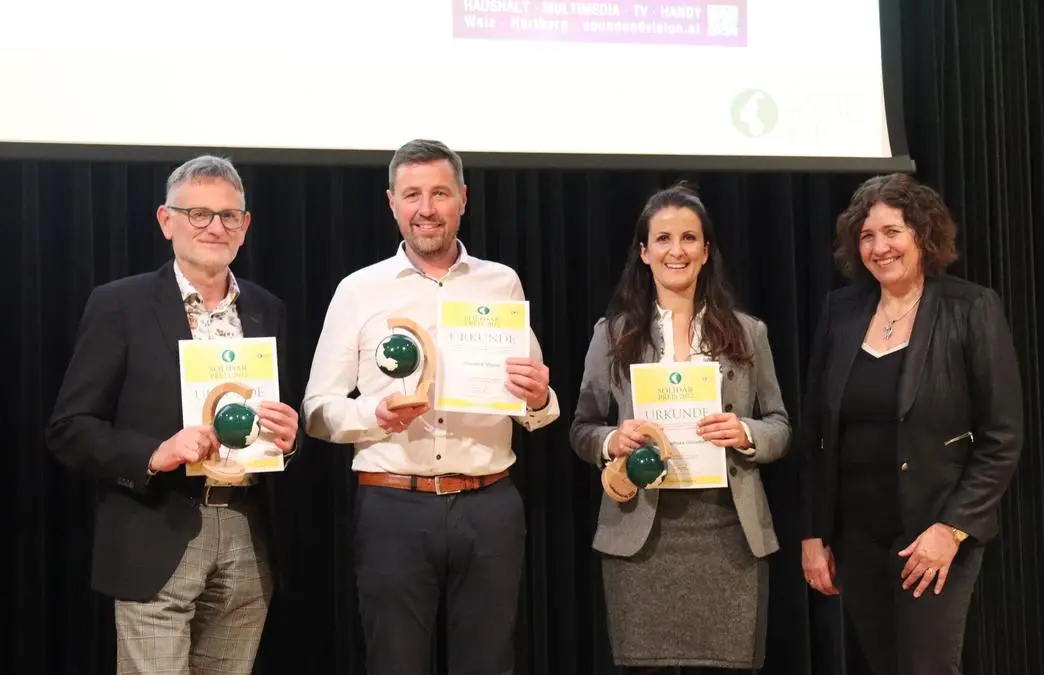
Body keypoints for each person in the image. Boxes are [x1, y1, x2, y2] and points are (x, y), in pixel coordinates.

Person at [301, 139, 559, 675]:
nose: (426, 208)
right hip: (394, 508)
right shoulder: (359, 290)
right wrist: (374, 415)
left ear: (462, 199)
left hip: (488, 507)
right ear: (391, 202)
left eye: (439, 193)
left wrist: (539, 398)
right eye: (412, 194)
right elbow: (317, 410)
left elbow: (536, 403)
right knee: (395, 664)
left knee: (489, 664)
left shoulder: (500, 282)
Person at [45, 155, 301, 675]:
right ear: (167, 221)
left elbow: (280, 420)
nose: (215, 227)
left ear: (246, 226)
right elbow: (70, 428)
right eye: (198, 214)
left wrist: (292, 439)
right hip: (158, 527)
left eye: (229, 216)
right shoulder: (121, 305)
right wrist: (154, 453)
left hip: (247, 534)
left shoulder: (266, 308)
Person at [797, 173, 1023, 675]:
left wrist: (953, 527)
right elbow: (816, 434)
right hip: (856, 536)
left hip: (932, 533)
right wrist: (814, 533)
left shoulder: (971, 308)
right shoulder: (841, 311)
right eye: (867, 236)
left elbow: (1001, 437)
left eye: (892, 232)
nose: (880, 247)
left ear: (921, 234)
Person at [569, 183, 792, 673]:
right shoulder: (612, 334)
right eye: (664, 239)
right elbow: (582, 428)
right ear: (644, 253)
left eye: (689, 238)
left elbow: (780, 426)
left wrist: (747, 433)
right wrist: (613, 440)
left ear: (706, 251)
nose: (677, 251)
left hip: (730, 536)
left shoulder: (748, 332)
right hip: (641, 539)